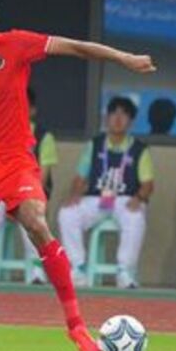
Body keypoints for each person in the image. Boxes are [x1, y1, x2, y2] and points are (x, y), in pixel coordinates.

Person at [0, 0, 156, 351]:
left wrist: (123, 58)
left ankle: (76, 326)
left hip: (15, 157)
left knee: (36, 220)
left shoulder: (16, 44)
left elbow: (76, 47)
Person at [59, 96, 155, 290]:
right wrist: (75, 194)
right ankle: (77, 268)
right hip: (97, 199)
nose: (118, 119)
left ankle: (125, 271)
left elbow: (148, 184)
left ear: (131, 121)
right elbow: (79, 178)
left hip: (125, 200)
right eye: (114, 113)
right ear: (106, 118)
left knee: (136, 216)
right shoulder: (93, 145)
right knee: (67, 213)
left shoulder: (139, 149)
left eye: (124, 114)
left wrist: (140, 198)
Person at [0, 87, 56, 285]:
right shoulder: (2, 133)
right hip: (3, 193)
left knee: (29, 209)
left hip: (31, 193)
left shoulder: (44, 136)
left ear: (32, 110)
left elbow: (43, 179)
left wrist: (20, 199)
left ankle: (36, 268)